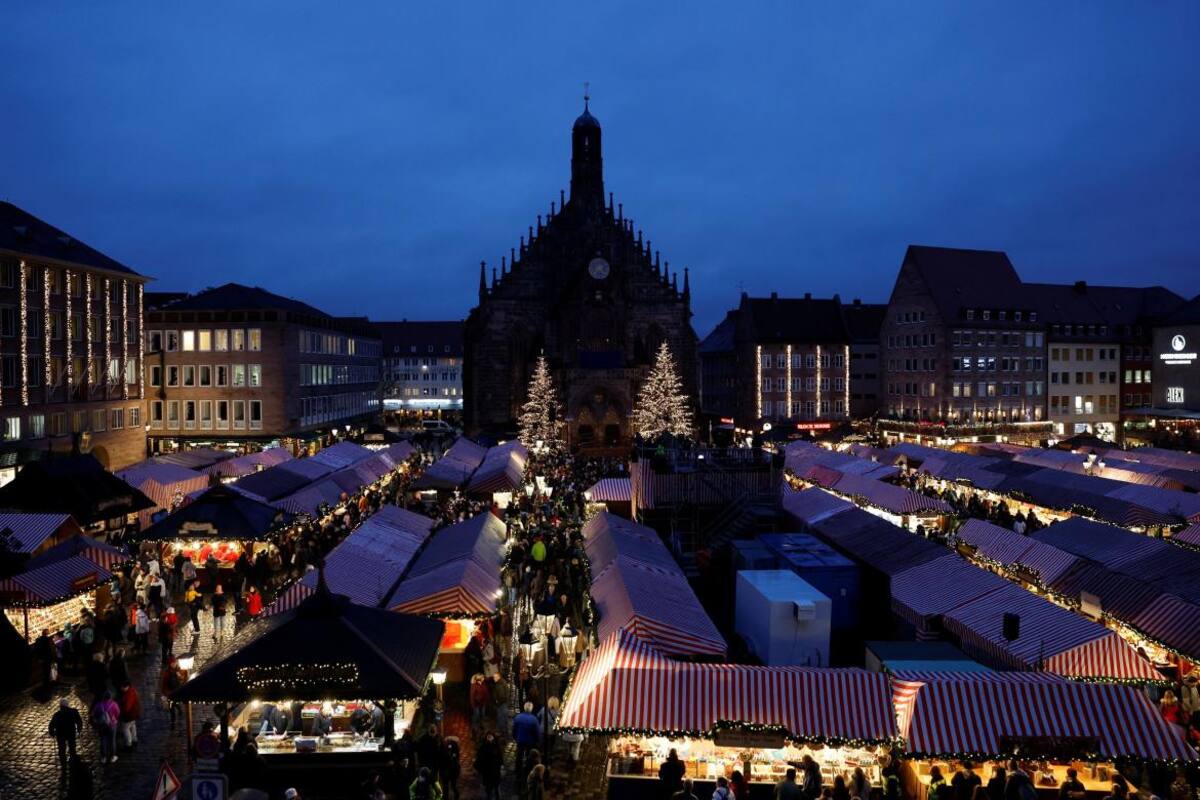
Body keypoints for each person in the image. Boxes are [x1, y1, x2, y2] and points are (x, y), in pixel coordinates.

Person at [49, 698, 83, 771]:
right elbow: (79, 720)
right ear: (68, 705)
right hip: (71, 733)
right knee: (72, 748)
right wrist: (79, 728)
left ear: (60, 706)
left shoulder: (57, 715)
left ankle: (63, 764)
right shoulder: (73, 712)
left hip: (60, 734)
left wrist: (52, 732)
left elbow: (51, 725)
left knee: (62, 750)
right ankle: (72, 761)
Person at [512, 702, 541, 778]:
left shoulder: (518, 717)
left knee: (519, 755)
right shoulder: (534, 719)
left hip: (520, 740)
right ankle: (528, 768)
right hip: (530, 741)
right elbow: (537, 731)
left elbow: (514, 729)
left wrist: (515, 737)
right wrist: (537, 740)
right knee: (529, 755)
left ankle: (518, 769)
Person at [90, 692, 119, 763]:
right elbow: (117, 713)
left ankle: (103, 757)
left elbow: (94, 714)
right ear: (110, 697)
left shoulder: (99, 705)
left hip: (102, 725)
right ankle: (113, 756)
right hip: (112, 725)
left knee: (103, 740)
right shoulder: (114, 704)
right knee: (112, 741)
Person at [474, 730, 503, 800]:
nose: (489, 738)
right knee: (489, 790)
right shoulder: (483, 747)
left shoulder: (496, 747)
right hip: (487, 772)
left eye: (491, 736)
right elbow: (479, 759)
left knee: (496, 789)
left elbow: (500, 759)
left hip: (494, 772)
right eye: (488, 736)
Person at [117, 681, 141, 749]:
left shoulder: (128, 694)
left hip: (129, 714)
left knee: (125, 728)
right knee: (132, 726)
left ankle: (128, 744)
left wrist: (121, 712)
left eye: (121, 687)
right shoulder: (132, 691)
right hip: (134, 713)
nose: (121, 689)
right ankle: (134, 739)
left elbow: (127, 707)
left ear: (125, 687)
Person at [440, 735, 461, 800]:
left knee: (452, 785)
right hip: (446, 769)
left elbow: (456, 757)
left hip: (452, 769)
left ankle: (455, 794)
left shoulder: (454, 747)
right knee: (446, 785)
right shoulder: (442, 747)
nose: (447, 741)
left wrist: (452, 757)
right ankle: (446, 797)